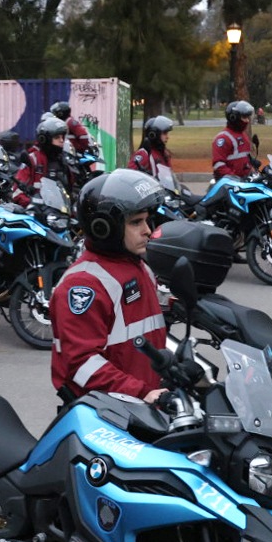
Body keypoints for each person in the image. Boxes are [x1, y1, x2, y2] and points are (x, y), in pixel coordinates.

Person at [50, 170, 167, 401]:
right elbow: (81, 364)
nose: (147, 230)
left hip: (144, 401)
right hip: (109, 412)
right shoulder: (85, 285)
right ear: (103, 227)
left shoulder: (138, 266)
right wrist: (143, 393)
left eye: (146, 220)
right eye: (136, 222)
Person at [14, 116, 71, 205]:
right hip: (37, 212)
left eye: (62, 137)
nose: (61, 140)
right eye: (57, 137)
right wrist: (31, 203)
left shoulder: (64, 160)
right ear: (44, 139)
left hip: (61, 211)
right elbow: (17, 191)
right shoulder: (33, 159)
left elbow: (71, 189)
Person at [212, 100, 257, 180]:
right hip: (229, 184)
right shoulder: (223, 139)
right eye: (244, 118)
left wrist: (252, 164)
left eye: (247, 118)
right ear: (233, 118)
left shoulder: (243, 135)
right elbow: (218, 165)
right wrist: (233, 178)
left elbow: (244, 158)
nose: (247, 121)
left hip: (244, 181)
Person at [128, 115, 175, 187]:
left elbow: (169, 177)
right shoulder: (144, 153)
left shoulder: (164, 153)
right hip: (153, 194)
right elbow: (130, 176)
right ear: (153, 135)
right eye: (165, 133)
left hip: (165, 192)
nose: (167, 137)